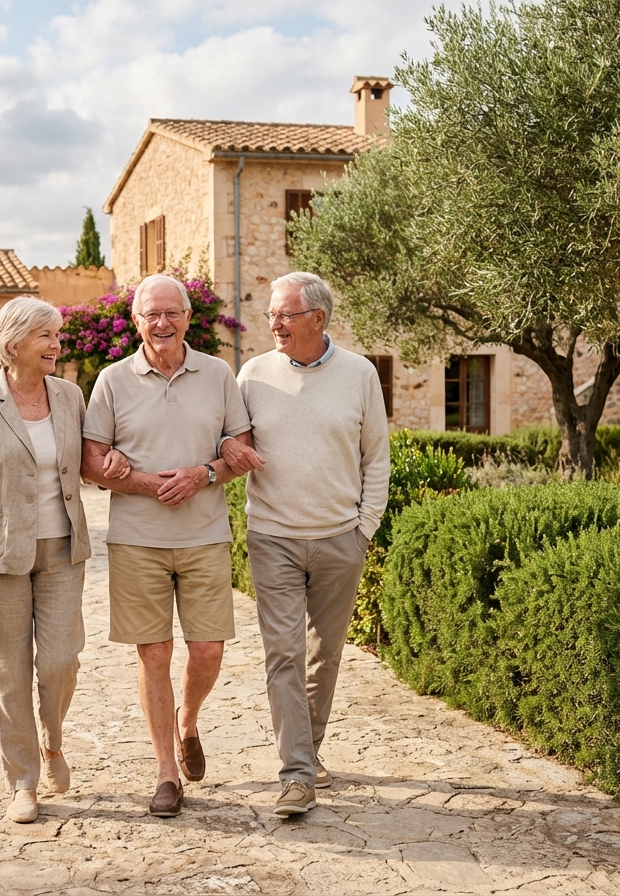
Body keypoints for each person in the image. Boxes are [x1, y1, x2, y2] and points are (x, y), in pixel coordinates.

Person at [81, 273, 264, 818]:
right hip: (137, 540)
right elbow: (92, 461)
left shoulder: (218, 374)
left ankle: (188, 721)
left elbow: (241, 449)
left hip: (205, 535)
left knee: (208, 649)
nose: (162, 323)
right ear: (135, 321)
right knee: (154, 652)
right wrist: (139, 481)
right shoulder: (111, 381)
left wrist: (202, 475)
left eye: (172, 312)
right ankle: (165, 772)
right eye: (150, 314)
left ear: (188, 317)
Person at [0, 296, 128, 824]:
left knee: (61, 660)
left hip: (64, 550)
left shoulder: (70, 397)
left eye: (58, 334)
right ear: (14, 343)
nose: (56, 344)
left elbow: (91, 461)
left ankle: (53, 740)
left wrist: (112, 460)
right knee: (9, 673)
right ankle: (23, 780)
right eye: (47, 336)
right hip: (0, 557)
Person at [223, 271, 390, 817]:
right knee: (284, 655)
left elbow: (376, 457)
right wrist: (229, 444)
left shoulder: (360, 374)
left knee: (326, 655)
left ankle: (307, 751)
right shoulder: (252, 374)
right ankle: (296, 774)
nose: (273, 322)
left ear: (318, 319)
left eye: (285, 314)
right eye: (271, 313)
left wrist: (363, 528)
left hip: (341, 539)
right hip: (273, 538)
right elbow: (228, 436)